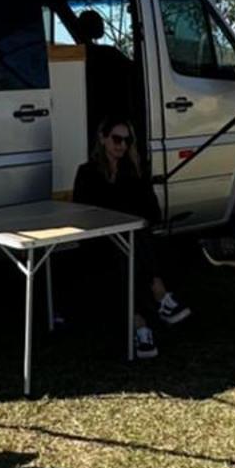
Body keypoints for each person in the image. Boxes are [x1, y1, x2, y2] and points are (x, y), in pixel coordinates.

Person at [71, 116, 191, 359]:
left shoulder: (133, 171)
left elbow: (152, 211)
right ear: (103, 139)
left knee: (131, 250)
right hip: (100, 239)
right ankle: (160, 295)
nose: (122, 145)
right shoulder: (87, 172)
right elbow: (83, 212)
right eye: (116, 139)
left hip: (131, 241)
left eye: (127, 140)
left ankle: (141, 328)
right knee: (130, 247)